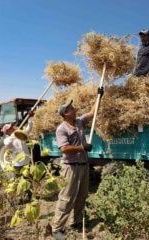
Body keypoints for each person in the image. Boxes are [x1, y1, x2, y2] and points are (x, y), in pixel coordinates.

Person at [51, 100, 96, 239]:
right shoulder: (62, 129)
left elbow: (92, 113)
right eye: (71, 108)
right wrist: (82, 147)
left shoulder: (79, 122)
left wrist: (99, 96)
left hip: (83, 164)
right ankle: (56, 229)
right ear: (65, 113)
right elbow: (64, 149)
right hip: (70, 168)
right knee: (67, 197)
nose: (75, 108)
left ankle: (76, 222)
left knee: (82, 196)